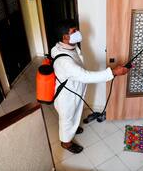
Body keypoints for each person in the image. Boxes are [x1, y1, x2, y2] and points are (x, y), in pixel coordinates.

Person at [51, 19, 129, 154]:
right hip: (66, 96)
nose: (78, 33)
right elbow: (86, 76)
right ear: (65, 37)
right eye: (74, 31)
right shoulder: (64, 61)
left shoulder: (67, 47)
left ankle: (73, 130)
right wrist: (114, 72)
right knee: (67, 118)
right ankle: (66, 143)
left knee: (76, 113)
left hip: (75, 90)